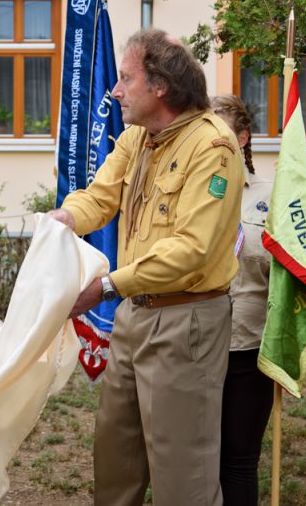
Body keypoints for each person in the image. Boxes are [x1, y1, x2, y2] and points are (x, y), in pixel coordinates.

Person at [47, 30, 244, 505]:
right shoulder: (138, 136)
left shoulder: (213, 146)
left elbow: (192, 249)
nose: (115, 91)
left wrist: (106, 287)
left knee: (183, 476)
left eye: (125, 78)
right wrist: (64, 219)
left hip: (186, 320)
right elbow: (101, 197)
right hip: (134, 314)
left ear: (160, 86)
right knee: (116, 460)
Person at [211, 94, 274, 506]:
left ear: (244, 137)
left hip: (249, 346)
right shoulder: (194, 193)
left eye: (220, 133)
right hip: (196, 345)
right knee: (197, 456)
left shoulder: (275, 196)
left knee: (239, 459)